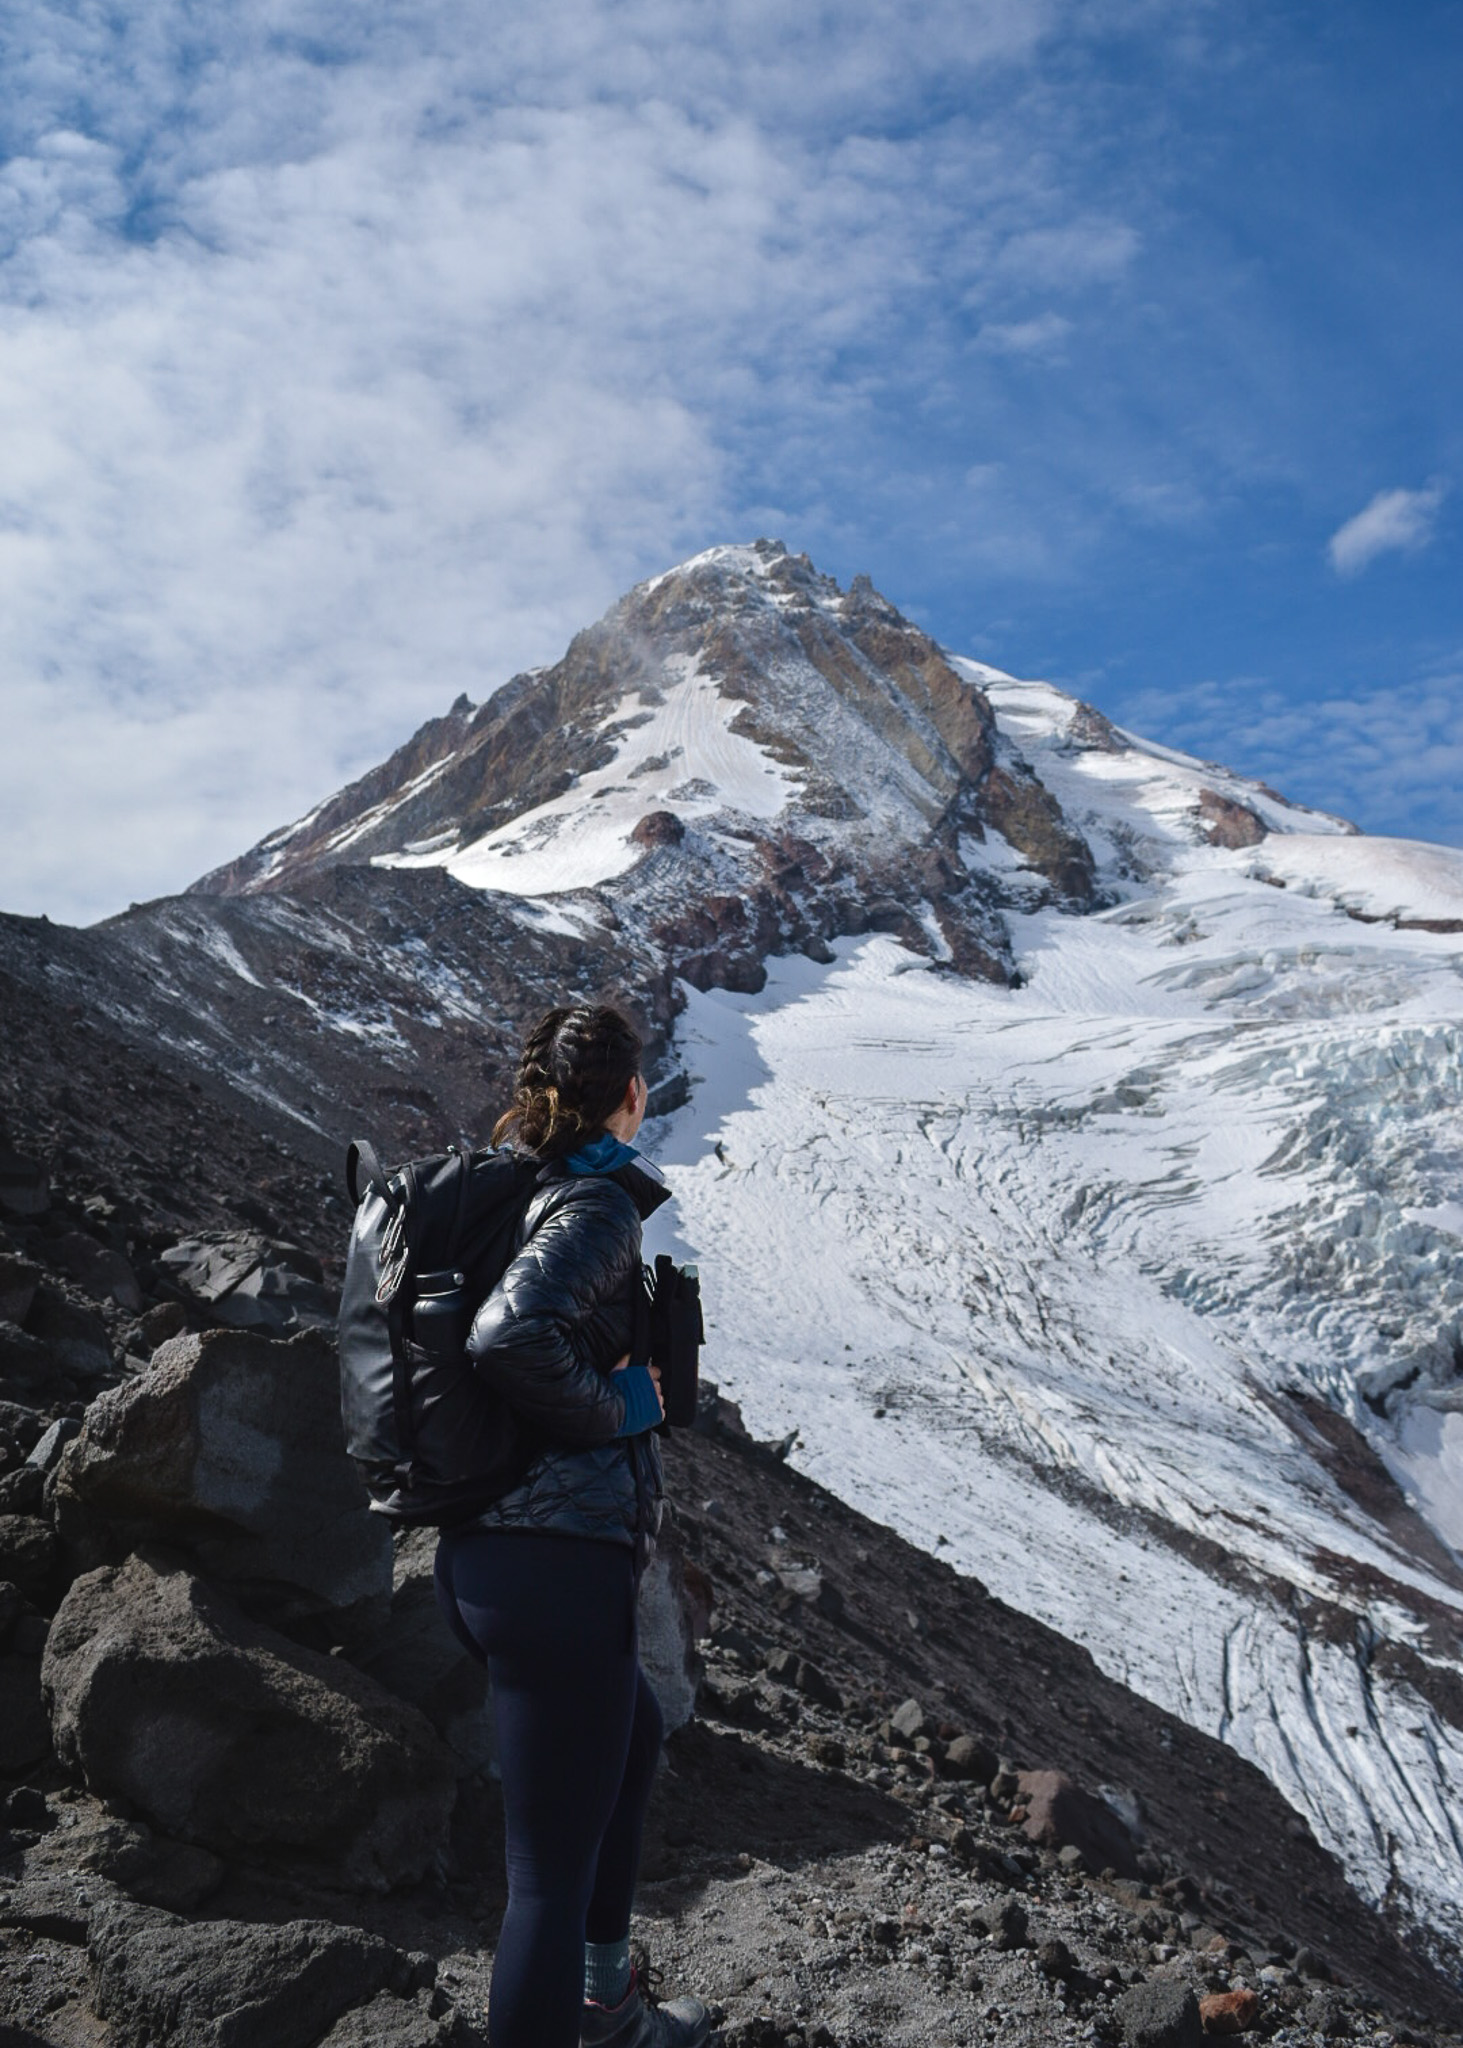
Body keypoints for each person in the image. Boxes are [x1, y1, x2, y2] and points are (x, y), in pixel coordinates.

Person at [433, 1002, 710, 2048]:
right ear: (631, 1094)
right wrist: (627, 1402)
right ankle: (586, 2016)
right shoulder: (592, 1204)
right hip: (547, 1570)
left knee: (631, 1737)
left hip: (491, 1559)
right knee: (542, 1880)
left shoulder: (517, 1197)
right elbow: (509, 1338)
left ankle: (606, 2005)